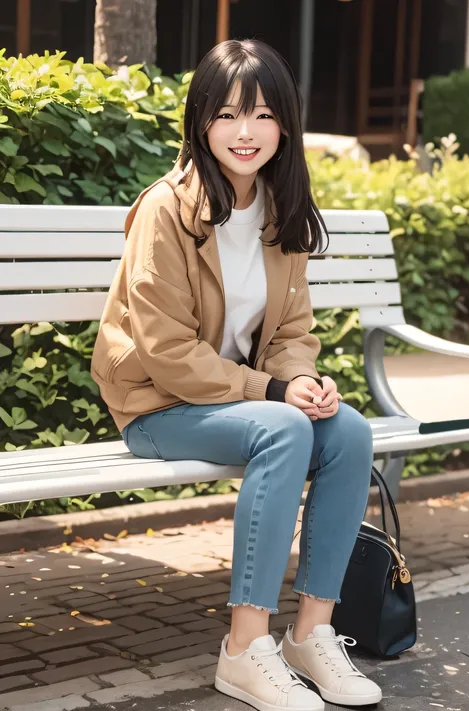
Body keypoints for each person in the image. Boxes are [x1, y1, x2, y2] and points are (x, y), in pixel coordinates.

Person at [91, 38, 382, 711]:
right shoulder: (166, 209)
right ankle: (245, 649)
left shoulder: (280, 210)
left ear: (285, 123)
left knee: (348, 431)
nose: (244, 132)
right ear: (201, 124)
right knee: (285, 427)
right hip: (155, 405)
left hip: (235, 405)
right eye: (225, 115)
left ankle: (312, 632)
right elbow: (163, 348)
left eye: (260, 115)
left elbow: (291, 333)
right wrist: (274, 392)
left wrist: (301, 379)